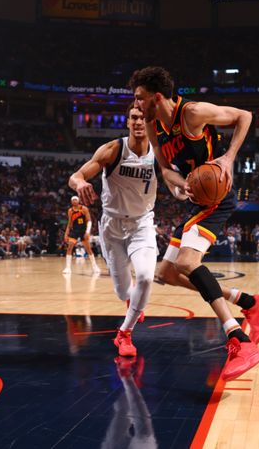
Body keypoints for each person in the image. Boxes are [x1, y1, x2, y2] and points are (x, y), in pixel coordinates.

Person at [131, 66, 259, 381]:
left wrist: (229, 158)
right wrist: (179, 185)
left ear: (155, 97)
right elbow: (165, 169)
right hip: (196, 199)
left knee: (186, 262)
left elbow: (244, 116)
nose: (136, 106)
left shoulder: (192, 113)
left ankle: (239, 340)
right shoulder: (155, 127)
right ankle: (250, 302)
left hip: (217, 197)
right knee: (165, 273)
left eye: (139, 99)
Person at [69, 104, 160, 357]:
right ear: (128, 122)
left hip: (142, 223)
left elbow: (172, 178)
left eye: (143, 118)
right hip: (112, 225)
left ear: (150, 122)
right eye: (134, 117)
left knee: (145, 277)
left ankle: (124, 334)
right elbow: (76, 175)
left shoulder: (159, 152)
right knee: (123, 291)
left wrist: (181, 189)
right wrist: (80, 183)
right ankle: (132, 301)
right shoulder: (113, 149)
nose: (138, 122)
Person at [61, 196, 101, 275]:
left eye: (75, 199)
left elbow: (89, 221)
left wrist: (87, 232)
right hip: (74, 231)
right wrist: (66, 234)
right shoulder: (70, 211)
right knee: (69, 247)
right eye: (73, 200)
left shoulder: (84, 209)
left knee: (88, 249)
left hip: (83, 231)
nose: (74, 201)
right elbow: (69, 223)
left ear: (78, 200)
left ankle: (95, 266)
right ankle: (68, 268)